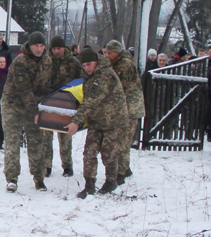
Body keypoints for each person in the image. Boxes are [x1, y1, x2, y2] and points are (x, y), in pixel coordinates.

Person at [64, 48, 129, 197]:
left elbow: (91, 100)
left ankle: (111, 181)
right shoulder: (91, 75)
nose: (86, 68)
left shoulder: (105, 75)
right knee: (89, 152)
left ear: (96, 62)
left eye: (89, 64)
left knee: (109, 153)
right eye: (84, 65)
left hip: (113, 121)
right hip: (97, 120)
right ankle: (89, 184)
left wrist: (76, 121)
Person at [1, 31, 53, 192]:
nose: (39, 49)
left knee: (37, 142)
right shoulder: (20, 62)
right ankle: (12, 178)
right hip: (13, 105)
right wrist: (35, 111)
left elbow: (47, 86)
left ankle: (39, 178)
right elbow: (23, 90)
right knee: (13, 142)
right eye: (36, 46)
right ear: (29, 46)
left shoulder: (47, 61)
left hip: (35, 106)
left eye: (42, 46)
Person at [103, 41, 145, 184]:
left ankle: (120, 173)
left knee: (123, 141)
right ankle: (125, 168)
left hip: (130, 109)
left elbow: (118, 86)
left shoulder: (125, 65)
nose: (107, 55)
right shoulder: (117, 63)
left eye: (109, 53)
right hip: (124, 108)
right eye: (105, 53)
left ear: (117, 52)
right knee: (120, 140)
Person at [49, 35, 83, 177]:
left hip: (66, 102)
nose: (56, 51)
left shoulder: (74, 63)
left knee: (65, 137)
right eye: (54, 48)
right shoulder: (48, 62)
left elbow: (80, 80)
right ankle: (46, 166)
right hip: (49, 101)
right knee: (46, 135)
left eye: (59, 48)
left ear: (64, 48)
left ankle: (67, 166)